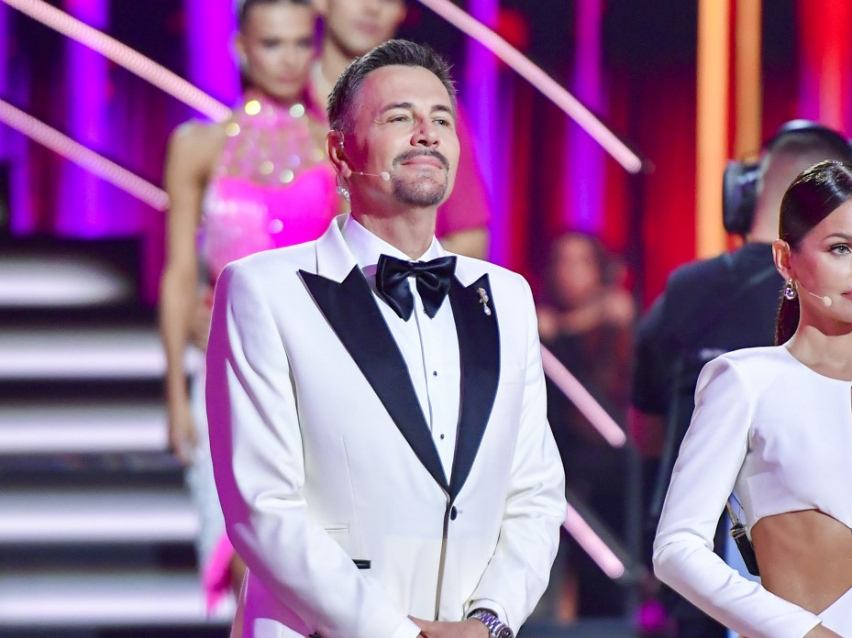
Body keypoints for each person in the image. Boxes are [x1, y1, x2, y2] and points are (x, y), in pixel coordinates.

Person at [205, 39, 566, 638]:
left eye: (441, 120)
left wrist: (490, 620)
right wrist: (396, 632)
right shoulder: (264, 290)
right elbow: (262, 507)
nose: (426, 134)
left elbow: (535, 492)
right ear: (340, 152)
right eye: (399, 117)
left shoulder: (506, 297)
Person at [653, 159, 852, 638]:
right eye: (841, 249)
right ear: (785, 260)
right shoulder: (746, 381)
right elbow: (677, 547)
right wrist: (798, 632)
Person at [632, 123, 852, 638]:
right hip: (821, 580)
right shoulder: (847, 297)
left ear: (748, 192)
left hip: (698, 576)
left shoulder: (685, 289)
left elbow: (646, 427)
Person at [159, 0, 340, 613]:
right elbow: (179, 272)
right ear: (241, 48)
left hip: (314, 370)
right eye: (271, 43)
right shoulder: (198, 145)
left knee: (307, 557)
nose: (287, 59)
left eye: (299, 43)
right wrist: (175, 392)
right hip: (223, 366)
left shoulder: (333, 146)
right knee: (236, 554)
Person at [309, 0, 493, 259]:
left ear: (402, 11)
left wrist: (394, 274)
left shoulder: (432, 112)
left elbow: (471, 242)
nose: (372, 8)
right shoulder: (278, 104)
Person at [537, 231, 635, 619]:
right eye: (561, 261)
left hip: (604, 462)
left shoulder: (617, 320)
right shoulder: (534, 323)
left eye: (581, 262)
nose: (569, 271)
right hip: (551, 457)